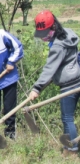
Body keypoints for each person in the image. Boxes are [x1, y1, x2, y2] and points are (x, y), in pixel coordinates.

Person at [28, 10, 80, 158]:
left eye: (45, 32)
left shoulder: (57, 45)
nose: (44, 36)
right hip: (77, 78)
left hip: (69, 85)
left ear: (53, 28)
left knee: (67, 118)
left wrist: (37, 88)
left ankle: (71, 151)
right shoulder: (68, 34)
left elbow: (50, 68)